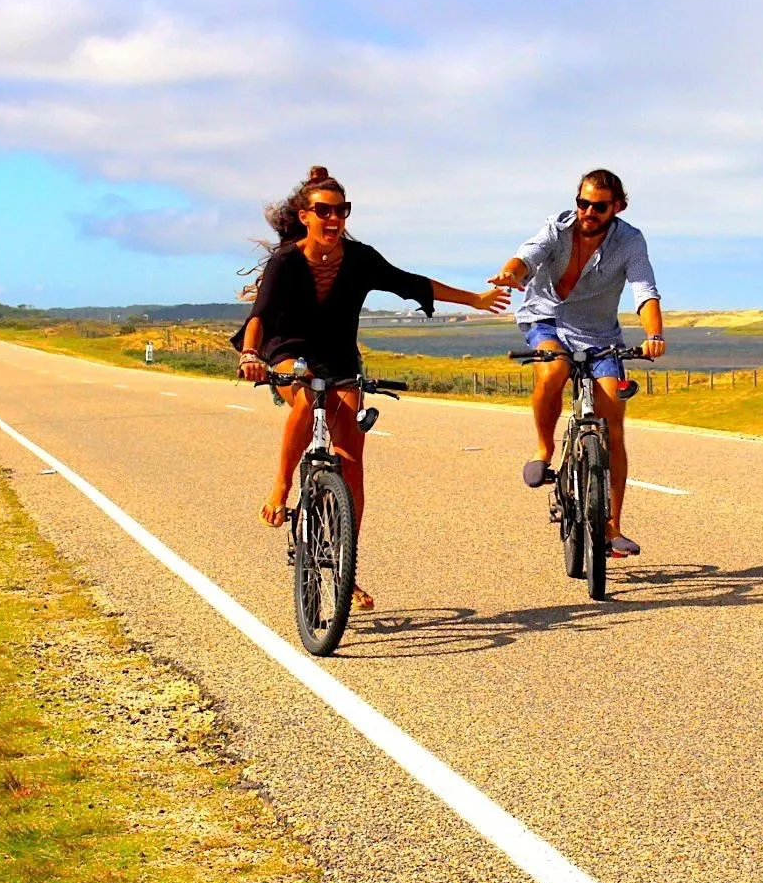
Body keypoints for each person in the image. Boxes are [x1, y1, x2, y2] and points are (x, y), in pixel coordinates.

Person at [233, 166, 509, 608]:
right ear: (305, 216)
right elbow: (260, 316)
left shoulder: (360, 259)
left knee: (352, 460)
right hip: (288, 347)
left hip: (338, 352)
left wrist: (474, 299)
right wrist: (250, 356)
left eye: (341, 210)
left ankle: (343, 567)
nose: (334, 218)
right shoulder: (286, 261)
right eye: (324, 211)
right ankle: (281, 488)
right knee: (307, 395)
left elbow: (411, 283)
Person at [487, 169, 664, 558]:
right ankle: (542, 448)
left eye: (598, 207)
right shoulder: (557, 228)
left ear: (618, 206)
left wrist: (654, 336)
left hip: (599, 334)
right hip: (545, 318)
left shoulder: (630, 241)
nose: (587, 212)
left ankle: (612, 528)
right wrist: (509, 275)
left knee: (612, 420)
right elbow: (526, 258)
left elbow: (644, 290)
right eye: (582, 203)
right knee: (554, 368)